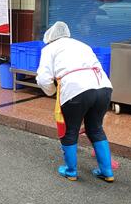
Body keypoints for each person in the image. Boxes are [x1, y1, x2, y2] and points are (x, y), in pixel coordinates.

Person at [36, 21, 114, 182]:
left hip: (76, 90)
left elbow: (43, 79)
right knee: (96, 129)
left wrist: (53, 91)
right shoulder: (82, 45)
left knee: (70, 131)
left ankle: (70, 171)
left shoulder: (49, 48)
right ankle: (107, 171)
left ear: (50, 38)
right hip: (103, 87)